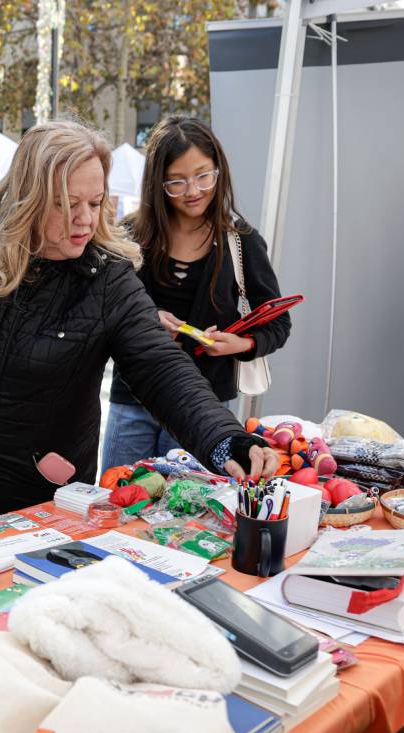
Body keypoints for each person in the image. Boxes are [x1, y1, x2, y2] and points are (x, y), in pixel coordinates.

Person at [0, 120, 277, 525]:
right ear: (30, 196)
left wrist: (224, 439)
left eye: (95, 203)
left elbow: (162, 369)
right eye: (67, 204)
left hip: (50, 499)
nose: (85, 220)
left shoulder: (107, 277)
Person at [101, 115, 290, 471]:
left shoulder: (240, 240)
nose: (192, 191)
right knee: (119, 494)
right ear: (157, 183)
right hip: (132, 400)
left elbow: (279, 323)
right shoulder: (129, 236)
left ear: (219, 171)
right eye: (177, 181)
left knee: (189, 502)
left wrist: (241, 344)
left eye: (203, 176)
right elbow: (104, 310)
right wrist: (147, 319)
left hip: (205, 407)